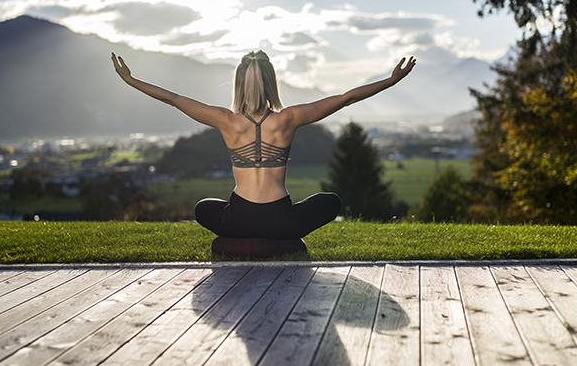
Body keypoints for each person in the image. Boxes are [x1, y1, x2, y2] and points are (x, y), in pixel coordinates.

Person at [111, 50, 416, 246]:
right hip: (282, 220)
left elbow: (173, 98)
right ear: (271, 83)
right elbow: (345, 98)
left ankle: (239, 240)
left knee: (204, 207)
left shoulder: (225, 121)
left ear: (238, 85)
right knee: (330, 201)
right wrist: (391, 81)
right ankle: (282, 239)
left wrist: (130, 80)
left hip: (238, 219)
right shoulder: (288, 119)